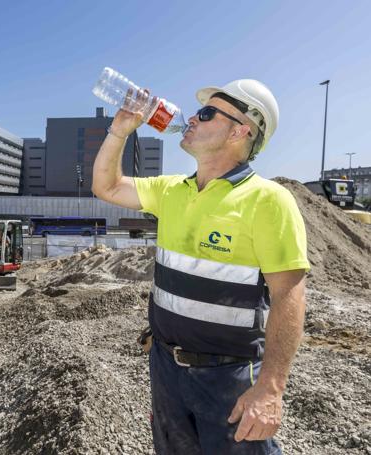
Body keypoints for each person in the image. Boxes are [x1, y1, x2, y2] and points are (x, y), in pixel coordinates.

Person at [92, 79, 309, 454]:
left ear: (241, 131)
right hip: (166, 368)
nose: (191, 118)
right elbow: (107, 187)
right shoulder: (172, 190)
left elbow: (289, 298)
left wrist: (270, 390)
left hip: (228, 378)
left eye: (207, 113)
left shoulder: (268, 201)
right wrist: (120, 130)